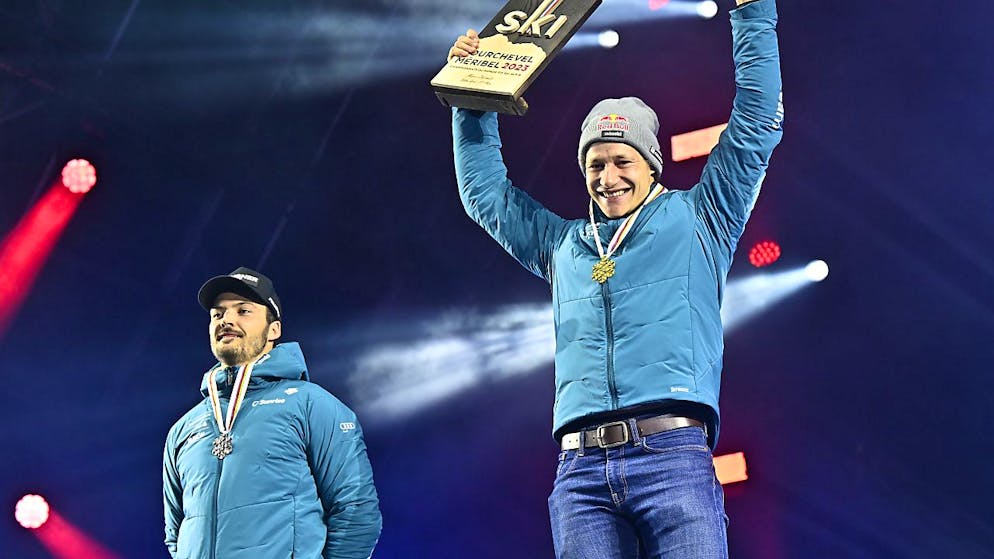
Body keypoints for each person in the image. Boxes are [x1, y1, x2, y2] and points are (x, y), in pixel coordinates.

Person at [447, 0, 783, 556]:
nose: (608, 178)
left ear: (651, 163)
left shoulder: (701, 218)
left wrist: (752, 15)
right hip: (580, 472)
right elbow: (487, 196)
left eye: (622, 161)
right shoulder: (563, 245)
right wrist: (472, 99)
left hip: (673, 454)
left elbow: (755, 123)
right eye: (595, 164)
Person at [163, 267, 382, 559]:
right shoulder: (184, 428)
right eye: (218, 314)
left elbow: (356, 512)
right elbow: (176, 533)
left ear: (274, 330)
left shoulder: (312, 405)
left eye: (243, 311)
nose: (226, 320)